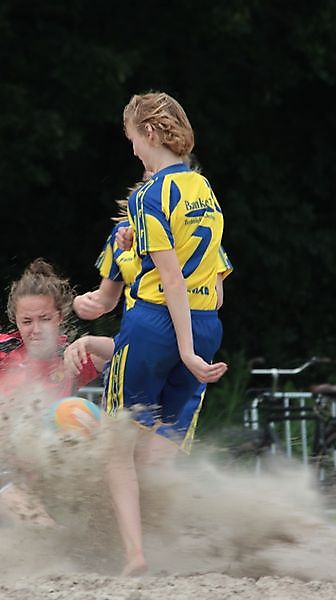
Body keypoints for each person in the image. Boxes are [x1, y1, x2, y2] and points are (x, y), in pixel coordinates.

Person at [90, 91, 228, 575]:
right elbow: (214, 283)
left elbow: (168, 280)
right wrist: (196, 343)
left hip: (157, 323)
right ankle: (169, 544)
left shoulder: (148, 196)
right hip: (208, 322)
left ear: (148, 133)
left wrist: (183, 348)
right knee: (159, 454)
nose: (131, 151)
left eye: (131, 139)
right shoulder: (204, 190)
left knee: (116, 448)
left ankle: (135, 555)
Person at [0, 258, 105, 535]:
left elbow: (128, 353)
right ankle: (57, 536)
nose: (35, 329)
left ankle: (59, 535)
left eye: (44, 319)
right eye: (27, 321)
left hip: (5, 492)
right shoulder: (1, 350)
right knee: (3, 476)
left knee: (2, 548)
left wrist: (109, 298)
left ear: (60, 318)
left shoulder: (71, 357)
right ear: (16, 321)